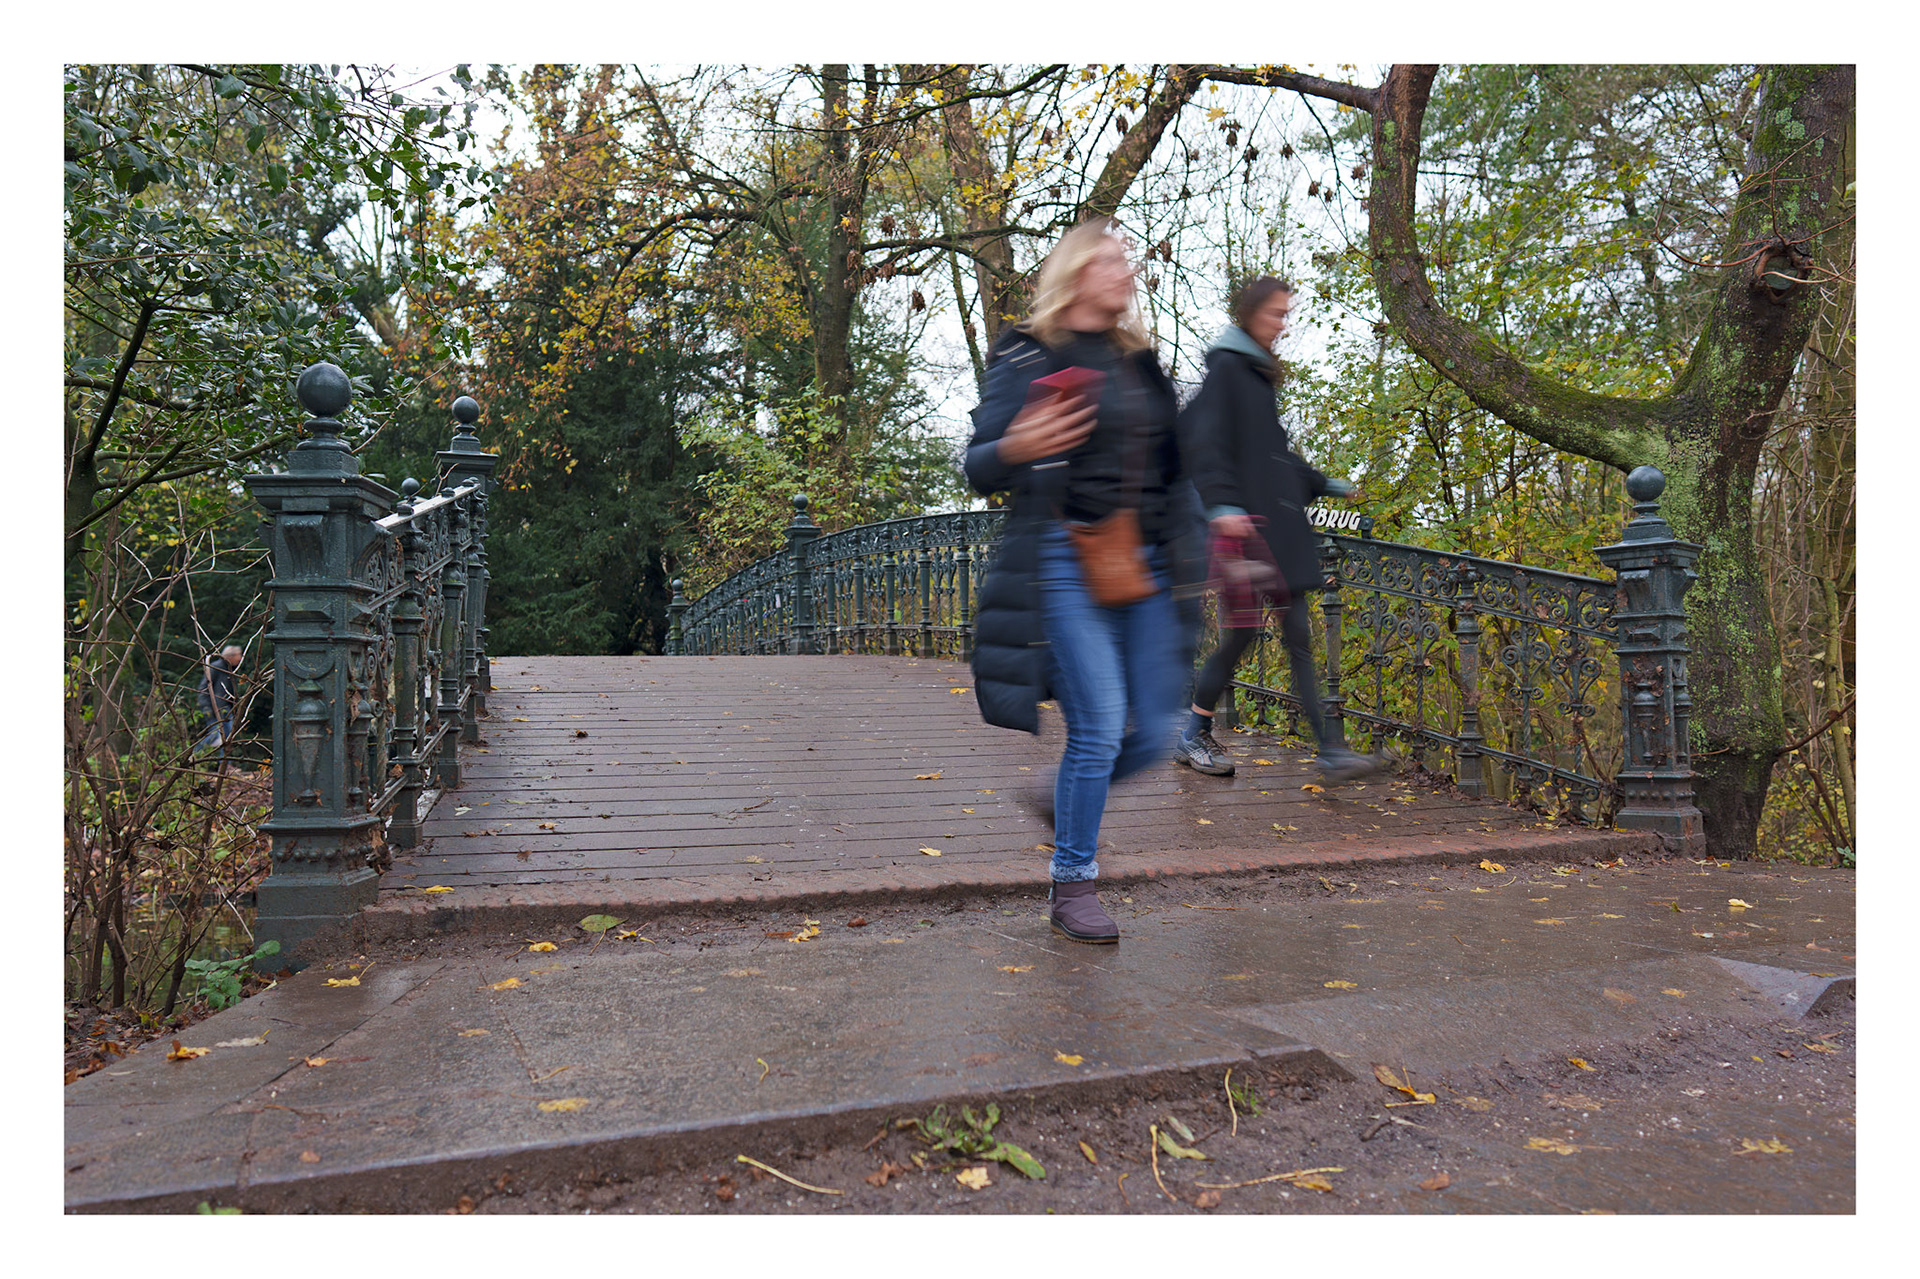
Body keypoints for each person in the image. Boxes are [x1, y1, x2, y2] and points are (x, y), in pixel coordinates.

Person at [965, 218, 1202, 945]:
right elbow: (979, 464)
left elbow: (1176, 473)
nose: (1126, 269)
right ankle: (1073, 882)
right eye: (1110, 259)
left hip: (1144, 563)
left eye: (1127, 260)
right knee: (1098, 726)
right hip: (1065, 560)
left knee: (1161, 728)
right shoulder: (1025, 353)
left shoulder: (1140, 365)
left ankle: (1063, 792)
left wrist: (1208, 541)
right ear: (1074, 273)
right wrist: (1017, 443)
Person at [1175, 276, 1378, 784]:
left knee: (1295, 638)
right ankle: (1195, 732)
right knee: (1244, 634)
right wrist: (1221, 503)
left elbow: (1273, 455)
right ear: (1250, 313)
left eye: (1286, 314)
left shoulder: (1256, 376)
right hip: (1243, 530)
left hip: (1274, 530)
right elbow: (1202, 440)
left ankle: (1330, 752)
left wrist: (1324, 483)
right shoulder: (1228, 369)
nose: (1282, 324)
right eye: (1275, 313)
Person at [195, 644, 245, 758]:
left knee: (227, 737)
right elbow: (204, 688)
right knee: (215, 735)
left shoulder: (230, 669)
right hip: (216, 708)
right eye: (239, 655)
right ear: (231, 656)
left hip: (225, 707)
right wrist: (207, 707)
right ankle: (193, 754)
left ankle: (225, 763)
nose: (240, 658)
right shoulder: (216, 668)